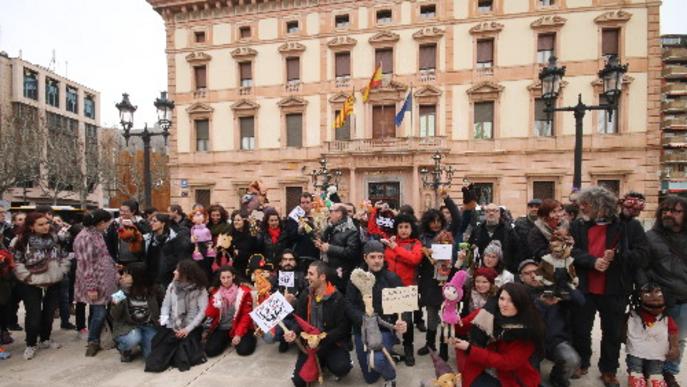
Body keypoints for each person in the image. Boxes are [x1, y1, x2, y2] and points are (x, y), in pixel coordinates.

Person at [569, 186, 649, 387]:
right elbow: (571, 251)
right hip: (584, 287)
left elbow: (643, 255)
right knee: (580, 329)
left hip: (615, 289)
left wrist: (620, 255)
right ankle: (582, 362)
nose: (582, 208)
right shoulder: (578, 225)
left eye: (586, 205)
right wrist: (592, 261)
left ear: (600, 206)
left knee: (612, 332)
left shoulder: (629, 227)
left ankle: (609, 370)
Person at [452, 282, 546, 387]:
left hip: (513, 375)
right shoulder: (488, 313)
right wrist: (449, 316)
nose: (504, 304)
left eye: (511, 301)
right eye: (502, 298)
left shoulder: (529, 330)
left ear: (521, 303)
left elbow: (507, 362)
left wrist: (470, 349)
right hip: (480, 367)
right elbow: (460, 326)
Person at [346, 240, 409, 386]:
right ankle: (388, 355)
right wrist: (365, 320)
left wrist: (403, 320)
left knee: (376, 361)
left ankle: (391, 376)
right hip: (361, 329)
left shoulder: (392, 278)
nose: (377, 261)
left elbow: (404, 304)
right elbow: (348, 304)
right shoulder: (356, 279)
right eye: (373, 257)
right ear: (365, 257)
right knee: (370, 378)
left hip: (384, 328)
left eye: (380, 257)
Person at [12, 212, 71, 360]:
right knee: (34, 315)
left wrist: (61, 271)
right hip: (31, 283)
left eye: (47, 223)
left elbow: (64, 256)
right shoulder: (20, 241)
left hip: (54, 281)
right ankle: (30, 344)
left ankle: (45, 338)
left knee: (49, 313)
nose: (46, 227)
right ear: (31, 226)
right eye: (41, 224)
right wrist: (27, 277)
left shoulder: (55, 238)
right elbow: (16, 263)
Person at [284, 260, 352, 387]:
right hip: (309, 346)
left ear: (322, 277)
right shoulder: (305, 295)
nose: (307, 277)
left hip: (331, 343)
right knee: (299, 382)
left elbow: (343, 328)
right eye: (307, 273)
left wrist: (321, 337)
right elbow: (299, 320)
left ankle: (328, 362)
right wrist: (293, 332)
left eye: (310, 274)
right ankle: (319, 362)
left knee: (342, 368)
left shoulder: (338, 298)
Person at [645, 195, 687, 387]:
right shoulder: (650, 237)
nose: (669, 214)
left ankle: (669, 373)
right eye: (665, 210)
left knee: (677, 340)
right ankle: (650, 371)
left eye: (675, 211)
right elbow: (642, 266)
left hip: (683, 299)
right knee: (653, 338)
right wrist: (647, 288)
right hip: (657, 299)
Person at [519, 259, 582, 387]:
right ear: (521, 277)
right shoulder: (518, 293)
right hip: (530, 342)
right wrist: (541, 304)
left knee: (571, 359)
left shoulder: (554, 288)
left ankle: (558, 379)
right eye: (527, 273)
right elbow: (527, 320)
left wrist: (563, 283)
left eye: (535, 271)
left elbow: (580, 301)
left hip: (555, 340)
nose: (533, 275)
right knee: (531, 380)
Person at [145, 260, 208, 372]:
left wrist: (187, 329)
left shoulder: (200, 289)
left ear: (185, 273)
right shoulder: (172, 286)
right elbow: (166, 304)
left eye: (177, 270)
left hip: (191, 327)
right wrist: (164, 318)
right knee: (157, 356)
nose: (174, 272)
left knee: (183, 353)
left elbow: (203, 311)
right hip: (173, 325)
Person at [73, 209, 118, 357]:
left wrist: (113, 265)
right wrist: (91, 287)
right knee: (99, 312)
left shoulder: (97, 234)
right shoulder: (85, 238)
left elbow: (104, 254)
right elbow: (85, 265)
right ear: (101, 223)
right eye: (107, 222)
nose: (109, 225)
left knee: (106, 308)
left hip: (106, 279)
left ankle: (102, 336)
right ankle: (93, 341)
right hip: (96, 282)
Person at [382, 213, 422, 366]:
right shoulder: (391, 243)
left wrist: (396, 248)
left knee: (407, 321)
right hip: (390, 288)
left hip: (406, 289)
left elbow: (414, 259)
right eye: (400, 227)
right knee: (391, 320)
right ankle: (390, 346)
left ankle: (408, 347)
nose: (403, 230)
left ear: (412, 228)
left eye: (406, 227)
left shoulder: (416, 243)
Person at [625, 282, 679, 387]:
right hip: (636, 350)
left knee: (655, 370)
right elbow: (624, 328)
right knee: (636, 367)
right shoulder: (634, 316)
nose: (655, 302)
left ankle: (655, 378)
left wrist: (675, 346)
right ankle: (636, 377)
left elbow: (673, 332)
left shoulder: (666, 319)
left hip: (657, 352)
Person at [110, 262, 161, 362]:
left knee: (150, 357)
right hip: (127, 326)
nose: (122, 277)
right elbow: (114, 316)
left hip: (148, 325)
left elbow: (163, 306)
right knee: (133, 339)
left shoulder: (152, 290)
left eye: (127, 275)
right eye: (123, 274)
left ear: (137, 277)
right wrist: (121, 295)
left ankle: (143, 343)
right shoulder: (119, 292)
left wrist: (161, 318)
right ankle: (124, 349)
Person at [203, 265, 255, 357]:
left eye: (228, 277)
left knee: (244, 351)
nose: (226, 280)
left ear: (233, 277)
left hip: (239, 326)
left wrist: (238, 334)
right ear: (220, 278)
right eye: (223, 278)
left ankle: (250, 337)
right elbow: (209, 314)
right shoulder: (216, 292)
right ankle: (227, 339)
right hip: (222, 328)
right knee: (210, 351)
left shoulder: (243, 292)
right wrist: (214, 304)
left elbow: (246, 315)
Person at [317, 203, 361, 293]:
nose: (329, 214)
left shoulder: (351, 230)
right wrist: (320, 244)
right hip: (329, 271)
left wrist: (330, 248)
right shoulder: (330, 227)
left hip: (342, 275)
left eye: (331, 211)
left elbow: (351, 252)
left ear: (339, 213)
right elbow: (325, 241)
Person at [270, 249, 307, 353]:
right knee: (269, 337)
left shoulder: (303, 277)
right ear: (280, 262)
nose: (288, 262)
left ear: (295, 262)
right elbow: (270, 299)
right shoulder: (275, 278)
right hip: (282, 316)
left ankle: (298, 337)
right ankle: (283, 339)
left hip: (298, 314)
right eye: (285, 259)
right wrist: (282, 300)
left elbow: (308, 297)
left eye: (291, 259)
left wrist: (296, 301)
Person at [143, 213, 193, 289]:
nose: (151, 223)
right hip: (151, 276)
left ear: (163, 223)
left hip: (167, 277)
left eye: (154, 221)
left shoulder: (175, 239)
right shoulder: (147, 238)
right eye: (151, 221)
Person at [468, 203, 521, 273]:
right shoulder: (477, 230)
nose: (491, 213)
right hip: (481, 272)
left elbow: (517, 250)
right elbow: (470, 248)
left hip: (502, 271)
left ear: (499, 214)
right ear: (485, 214)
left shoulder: (508, 230)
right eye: (488, 211)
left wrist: (512, 269)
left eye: (494, 211)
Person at [105, 199, 150, 265]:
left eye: (125, 211)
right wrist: (112, 259)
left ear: (133, 211)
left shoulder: (141, 222)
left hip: (137, 260)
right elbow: (109, 242)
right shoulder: (115, 223)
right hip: (119, 259)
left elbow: (147, 234)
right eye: (121, 210)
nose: (122, 213)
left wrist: (135, 224)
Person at [284, 192, 320, 261]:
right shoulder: (293, 218)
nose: (305, 205)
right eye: (303, 203)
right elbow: (289, 237)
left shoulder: (317, 217)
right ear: (300, 204)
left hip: (315, 255)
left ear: (312, 203)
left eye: (307, 202)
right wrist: (298, 231)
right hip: (299, 255)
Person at [228, 210, 259, 278]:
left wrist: (240, 253)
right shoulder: (230, 234)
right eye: (234, 220)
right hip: (234, 267)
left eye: (238, 220)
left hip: (247, 267)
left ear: (244, 221)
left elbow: (255, 251)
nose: (236, 222)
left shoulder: (250, 235)